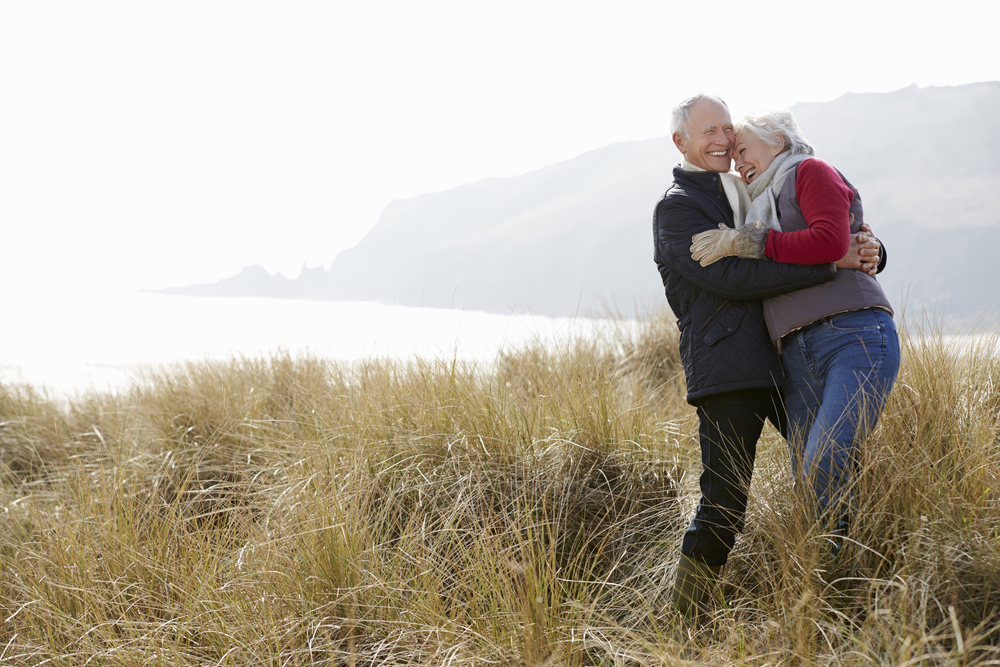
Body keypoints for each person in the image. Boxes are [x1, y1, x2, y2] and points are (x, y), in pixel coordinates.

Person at [652, 93, 883, 620]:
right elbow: (728, 276)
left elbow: (815, 229)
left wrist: (868, 249)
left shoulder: (754, 186)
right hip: (729, 372)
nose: (722, 140)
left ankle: (839, 596)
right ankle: (683, 621)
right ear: (680, 141)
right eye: (708, 131)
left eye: (726, 129)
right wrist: (831, 263)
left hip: (788, 358)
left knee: (828, 472)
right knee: (725, 505)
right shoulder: (677, 207)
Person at [689, 109, 899, 554]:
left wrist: (749, 243)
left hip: (852, 332)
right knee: (809, 475)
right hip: (795, 350)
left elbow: (831, 242)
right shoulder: (754, 204)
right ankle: (833, 577)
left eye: (743, 148)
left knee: (826, 458)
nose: (737, 160)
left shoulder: (809, 171)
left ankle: (842, 570)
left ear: (778, 142)